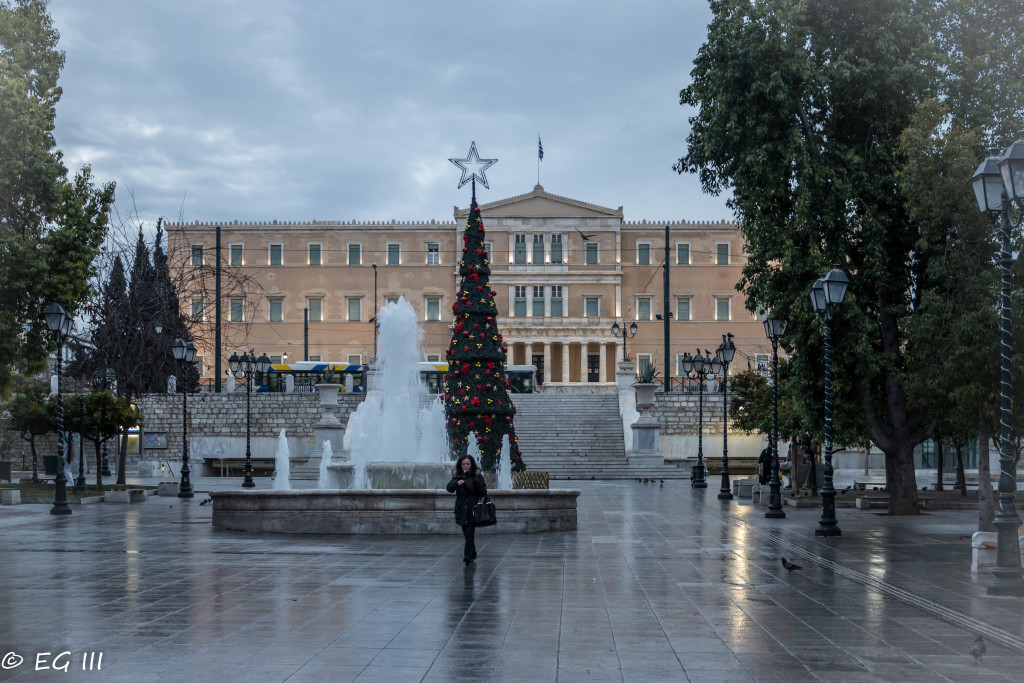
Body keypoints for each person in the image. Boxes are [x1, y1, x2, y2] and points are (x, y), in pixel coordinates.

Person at [446, 454, 486, 564]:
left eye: (467, 464)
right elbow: (449, 489)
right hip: (461, 510)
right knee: (467, 533)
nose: (465, 466)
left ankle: (467, 556)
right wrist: (456, 482)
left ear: (471, 465)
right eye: (463, 464)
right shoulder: (457, 475)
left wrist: (477, 484)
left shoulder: (477, 476)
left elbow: (483, 492)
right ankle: (472, 552)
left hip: (473, 509)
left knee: (469, 533)